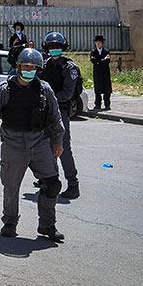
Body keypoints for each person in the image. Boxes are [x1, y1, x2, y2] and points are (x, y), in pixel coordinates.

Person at [0, 48, 65, 242]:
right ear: (17, 67)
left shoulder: (44, 89)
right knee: (11, 187)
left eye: (33, 67)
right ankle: (10, 222)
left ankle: (47, 225)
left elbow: (55, 117)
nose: (29, 70)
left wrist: (58, 141)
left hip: (40, 143)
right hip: (13, 145)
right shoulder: (4, 88)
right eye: (26, 66)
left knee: (52, 184)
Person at [39, 32, 80, 200]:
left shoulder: (69, 67)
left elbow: (68, 93)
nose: (54, 50)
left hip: (60, 111)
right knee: (45, 147)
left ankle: (73, 184)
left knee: (63, 148)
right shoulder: (46, 65)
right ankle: (50, 179)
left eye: (57, 47)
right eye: (51, 47)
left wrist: (49, 98)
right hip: (45, 111)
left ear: (63, 48)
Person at [90, 35, 112, 110]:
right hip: (97, 73)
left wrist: (99, 62)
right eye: (96, 42)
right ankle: (98, 104)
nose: (98, 44)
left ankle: (107, 104)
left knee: (107, 89)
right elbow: (93, 61)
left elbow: (107, 61)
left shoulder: (106, 51)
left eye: (99, 42)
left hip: (105, 73)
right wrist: (102, 60)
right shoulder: (93, 52)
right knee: (97, 89)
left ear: (102, 43)